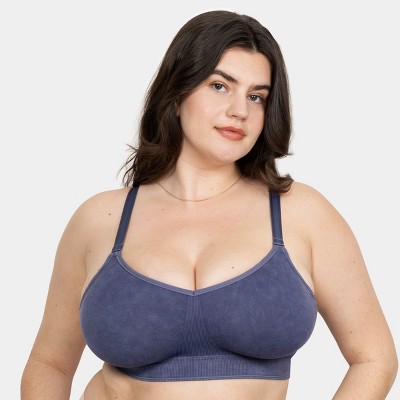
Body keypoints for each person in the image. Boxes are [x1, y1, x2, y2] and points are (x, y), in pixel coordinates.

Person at [21, 10, 397, 400]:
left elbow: (374, 357)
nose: (240, 110)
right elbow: (50, 363)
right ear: (176, 93)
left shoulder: (301, 214)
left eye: (256, 96)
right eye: (220, 86)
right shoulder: (100, 220)